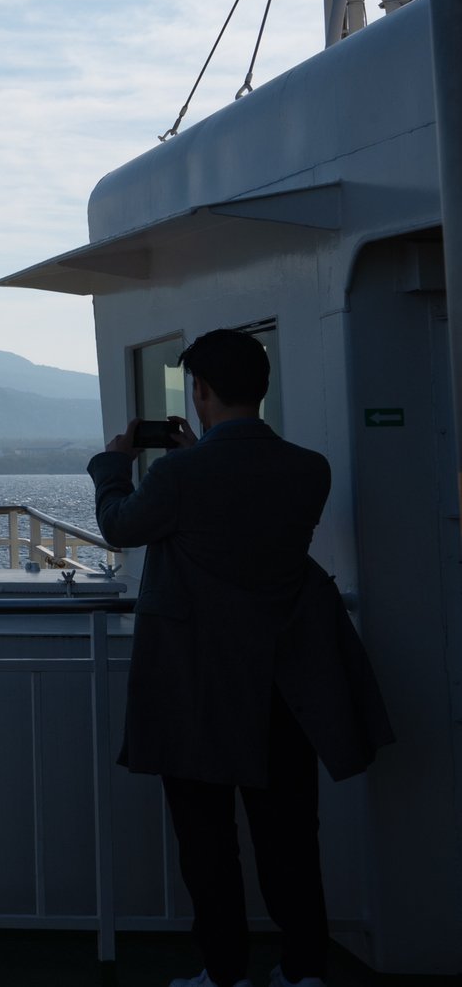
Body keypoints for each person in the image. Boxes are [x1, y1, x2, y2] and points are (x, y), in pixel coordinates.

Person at [87, 329, 389, 987]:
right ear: (260, 387)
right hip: (282, 683)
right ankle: (302, 968)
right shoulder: (308, 469)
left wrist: (111, 465)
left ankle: (222, 972)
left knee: (206, 841)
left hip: (195, 687)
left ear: (198, 392)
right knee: (287, 835)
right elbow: (247, 525)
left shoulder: (176, 475)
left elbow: (120, 527)